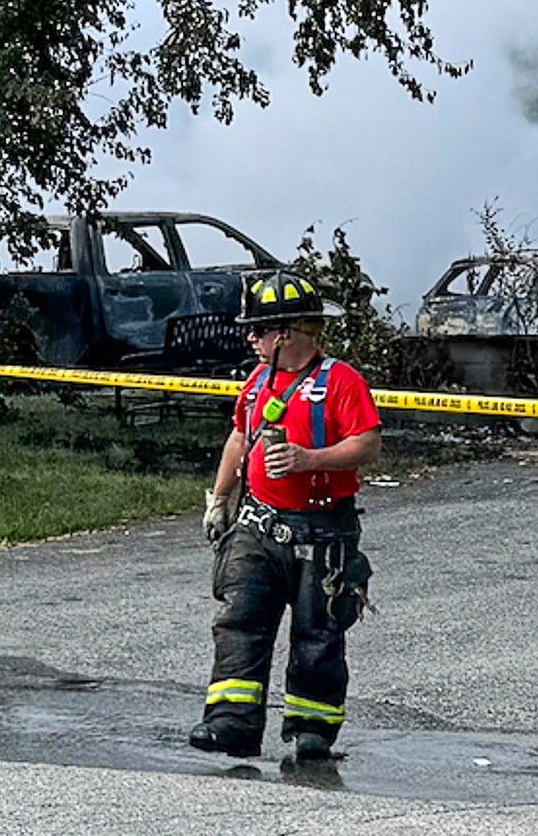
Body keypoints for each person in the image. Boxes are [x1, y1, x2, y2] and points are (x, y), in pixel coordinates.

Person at [192, 271, 381, 764]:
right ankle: (230, 725)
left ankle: (312, 729)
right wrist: (221, 497)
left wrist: (308, 460)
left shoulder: (341, 381)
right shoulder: (258, 382)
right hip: (258, 528)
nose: (250, 339)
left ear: (286, 333)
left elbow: (368, 444)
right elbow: (239, 437)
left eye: (257, 330)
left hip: (322, 534)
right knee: (239, 623)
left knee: (318, 634)